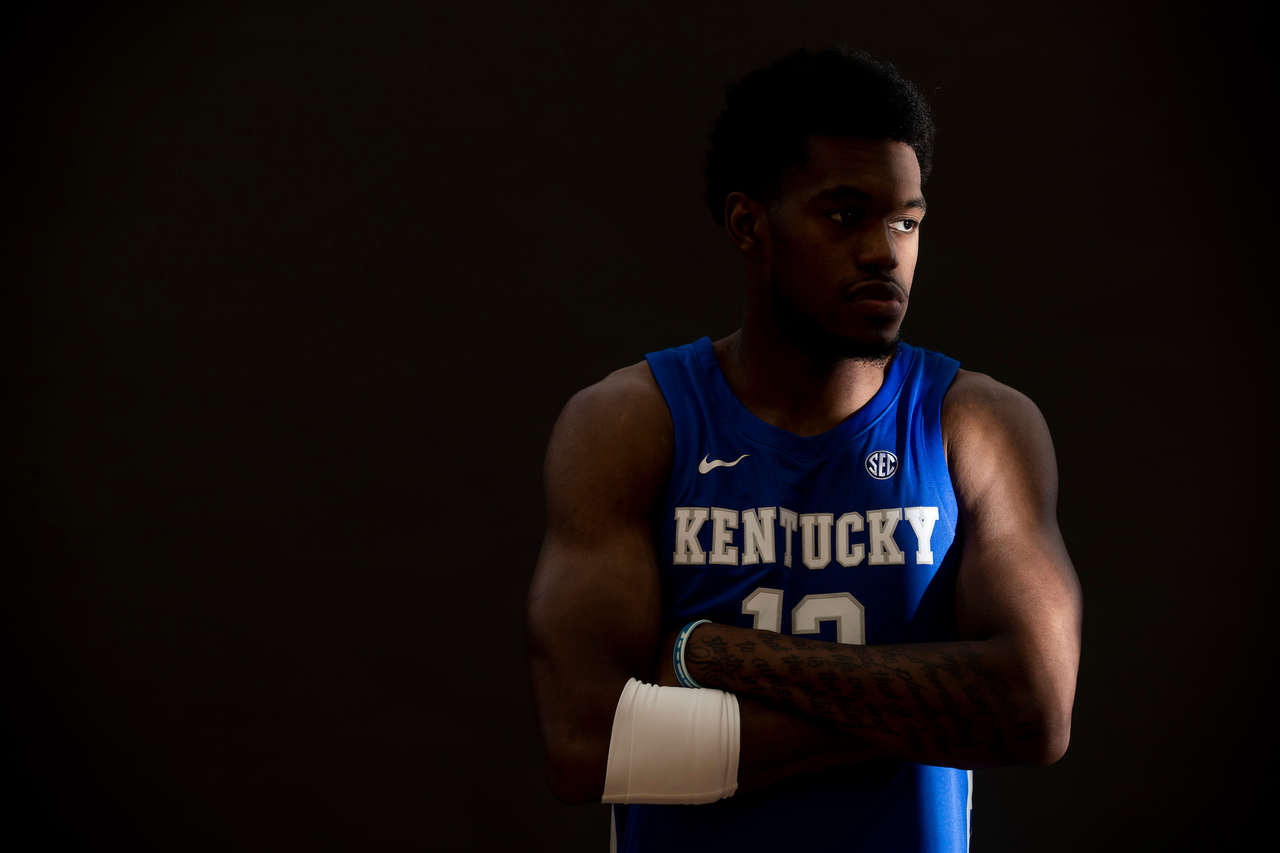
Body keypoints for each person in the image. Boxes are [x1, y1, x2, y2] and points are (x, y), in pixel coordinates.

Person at [525, 47, 1082, 852]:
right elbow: (584, 746)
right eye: (843, 214)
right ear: (750, 225)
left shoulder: (978, 426)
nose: (884, 252)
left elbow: (1034, 710)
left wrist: (710, 651)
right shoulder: (631, 423)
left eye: (906, 221)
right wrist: (936, 708)